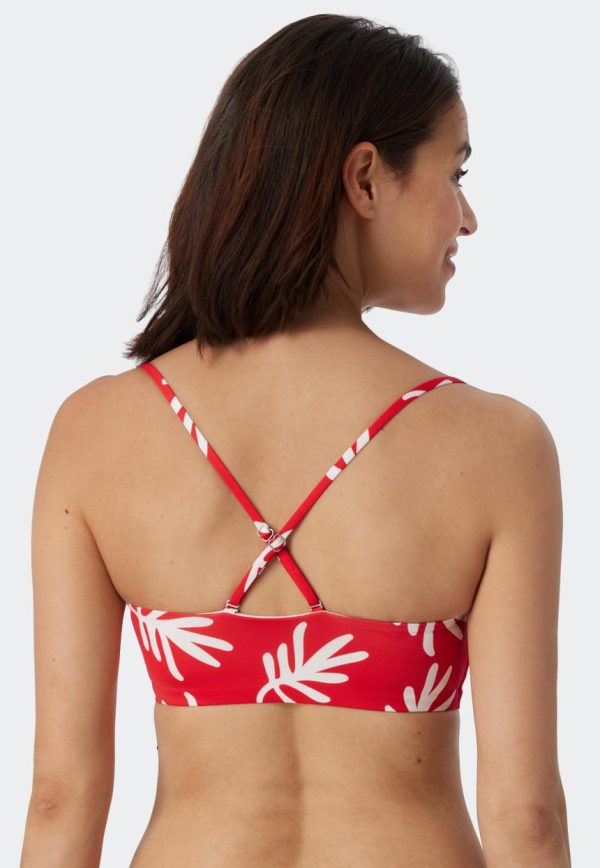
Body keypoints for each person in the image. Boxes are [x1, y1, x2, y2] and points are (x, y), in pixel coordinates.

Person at [20, 13, 571, 867]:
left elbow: (62, 795)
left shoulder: (95, 432)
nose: (467, 218)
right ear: (366, 178)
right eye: (455, 173)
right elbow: (524, 815)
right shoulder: (499, 445)